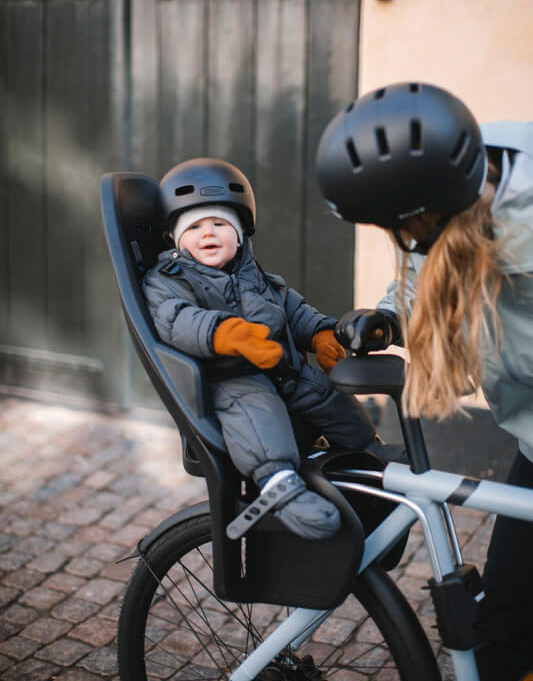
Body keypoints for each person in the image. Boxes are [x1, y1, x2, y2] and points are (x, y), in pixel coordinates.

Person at [316, 80, 533, 681]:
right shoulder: (449, 190)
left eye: (401, 228)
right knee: (507, 626)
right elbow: (423, 273)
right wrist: (389, 319)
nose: (400, 242)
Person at [142, 157, 397, 541]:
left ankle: (370, 458)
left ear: (240, 233)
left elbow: (292, 309)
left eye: (219, 224)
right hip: (233, 381)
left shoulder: (252, 272)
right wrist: (225, 333)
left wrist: (320, 335)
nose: (207, 233)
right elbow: (175, 319)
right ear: (177, 238)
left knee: (332, 398)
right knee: (260, 419)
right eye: (194, 226)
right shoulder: (168, 279)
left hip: (287, 373)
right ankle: (280, 487)